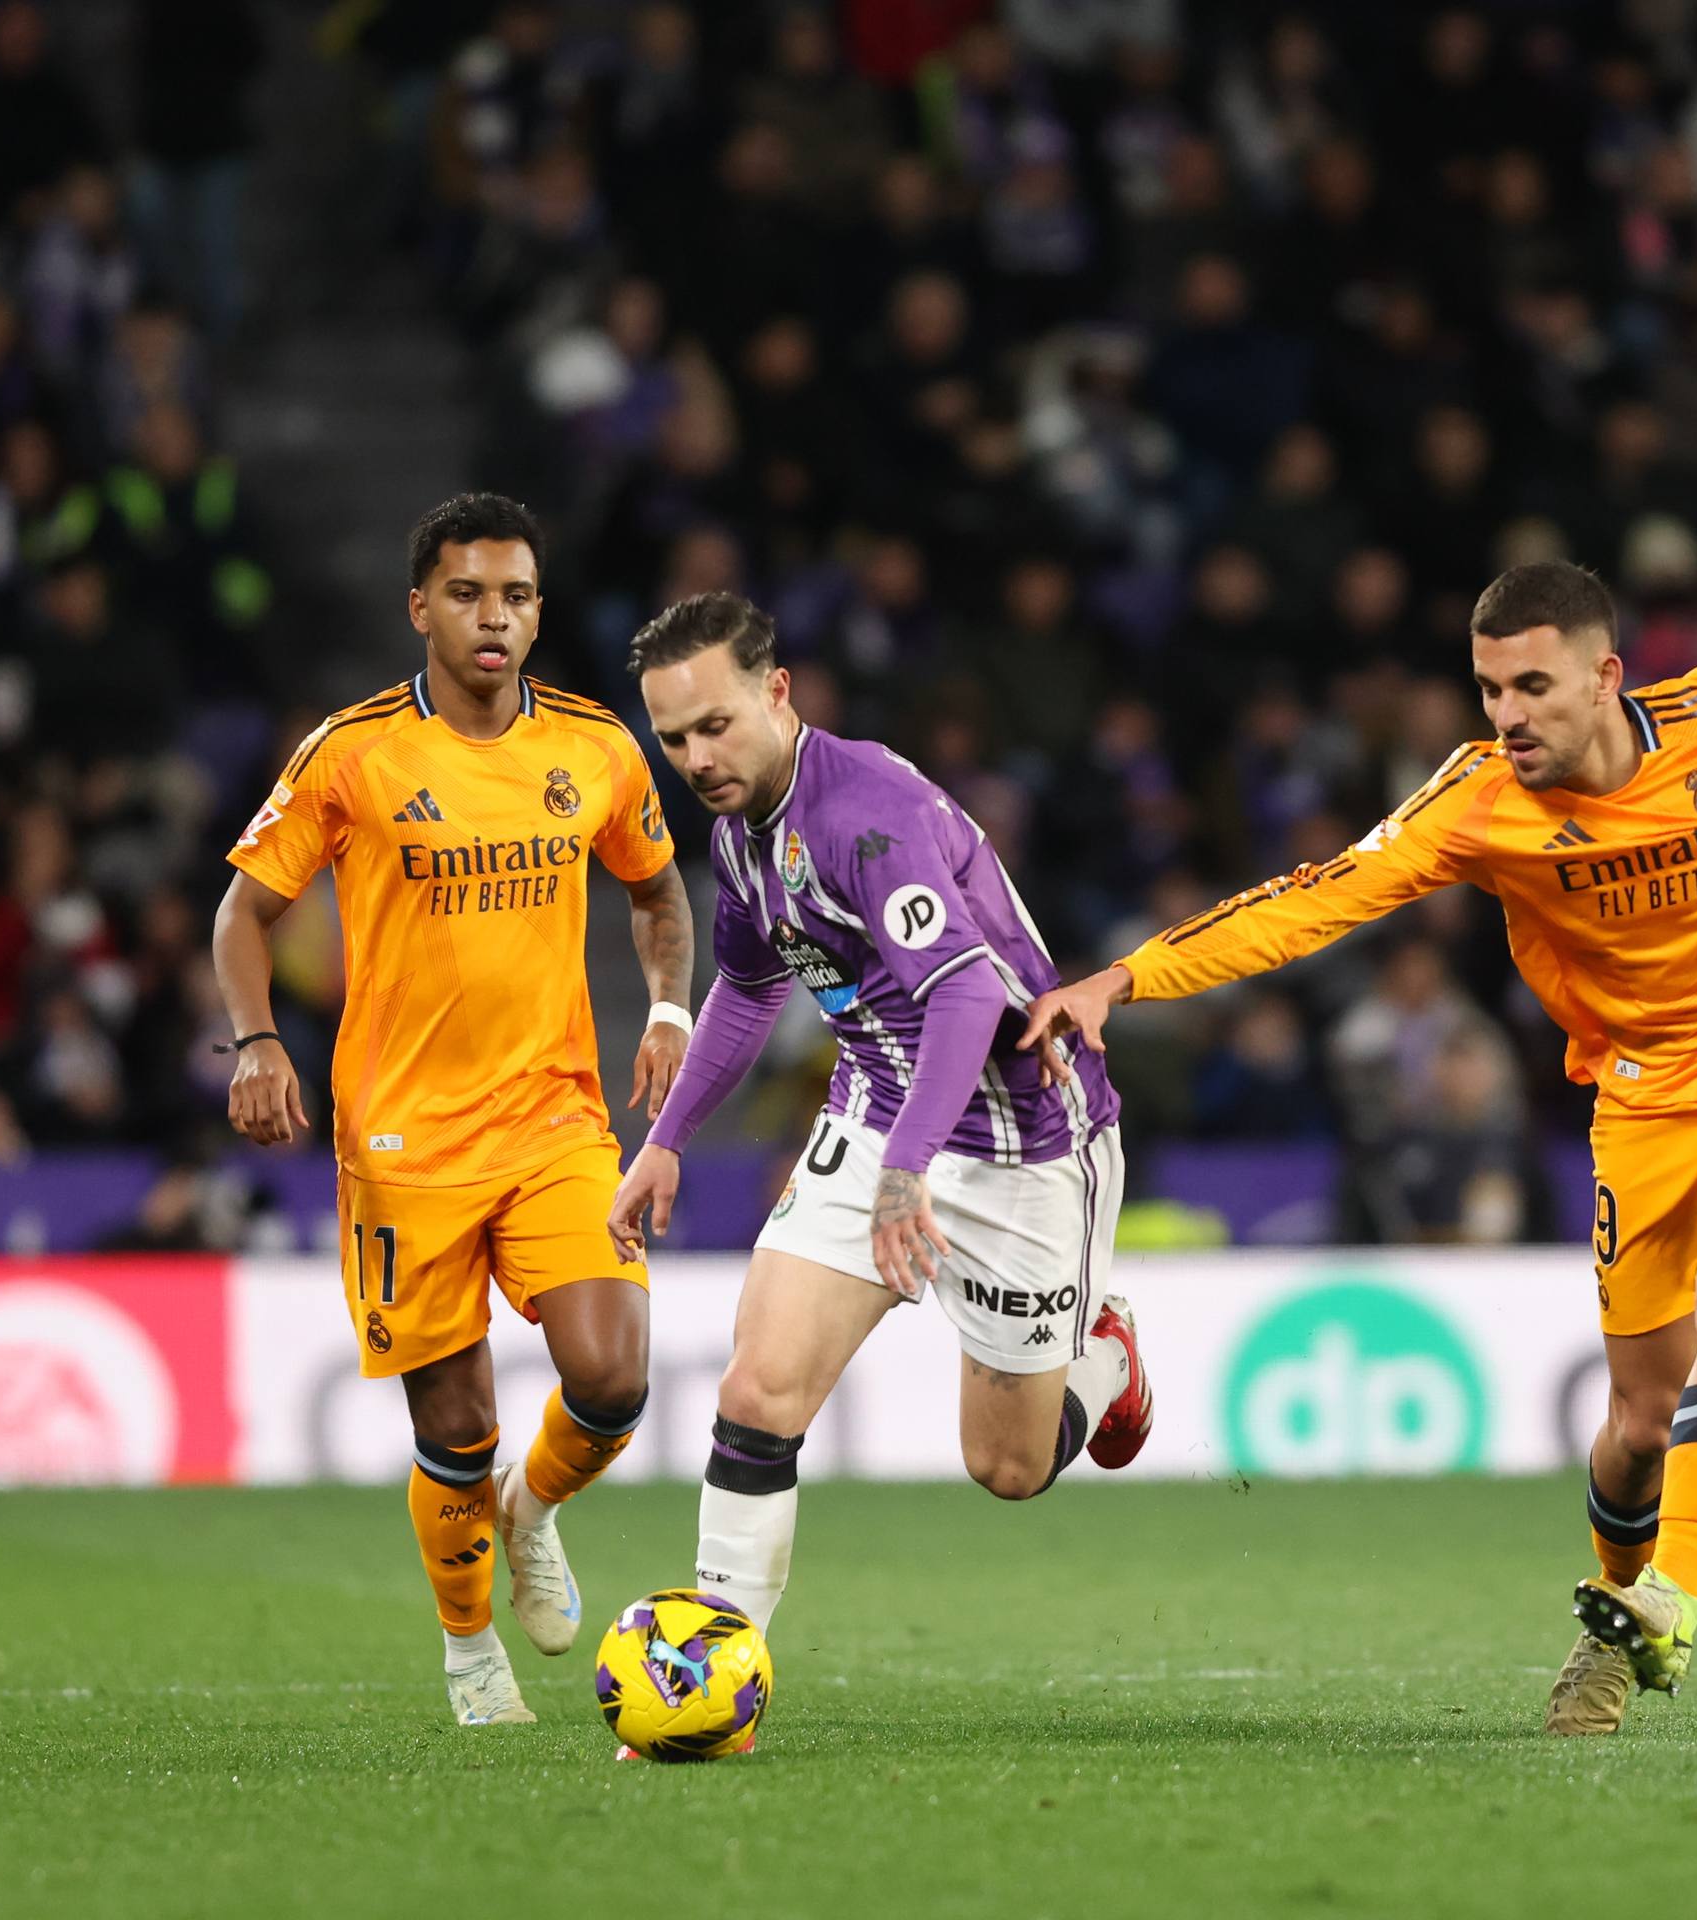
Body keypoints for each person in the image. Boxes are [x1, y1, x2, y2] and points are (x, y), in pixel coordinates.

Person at [1017, 560, 1697, 1734]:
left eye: (1531, 686)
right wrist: (1124, 978)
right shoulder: (1477, 804)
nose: (1507, 717)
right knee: (1638, 1428)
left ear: (1604, 675)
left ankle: (1672, 1596)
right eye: (1488, 691)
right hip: (1641, 1106)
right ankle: (1614, 1620)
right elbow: (1307, 901)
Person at [214, 494, 695, 1728]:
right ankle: (469, 1653)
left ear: (540, 612)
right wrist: (259, 1038)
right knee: (458, 1423)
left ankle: (531, 1514)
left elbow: (655, 891)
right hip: (403, 1139)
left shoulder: (596, 747)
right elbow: (241, 914)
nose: (496, 618)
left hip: (552, 1120)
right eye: (471, 594)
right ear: (420, 606)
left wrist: (666, 1012)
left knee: (612, 1377)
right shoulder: (354, 751)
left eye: (519, 596)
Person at [605, 592, 1151, 1652]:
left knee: (1008, 1468)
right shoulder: (737, 837)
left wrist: (908, 1174)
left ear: (775, 691)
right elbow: (751, 987)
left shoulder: (864, 813)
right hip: (874, 1111)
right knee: (758, 1388)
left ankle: (1107, 1358)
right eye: (672, 738)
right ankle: (716, 1660)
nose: (696, 755)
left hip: (1020, 1135)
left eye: (714, 724)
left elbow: (961, 1000)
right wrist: (665, 1137)